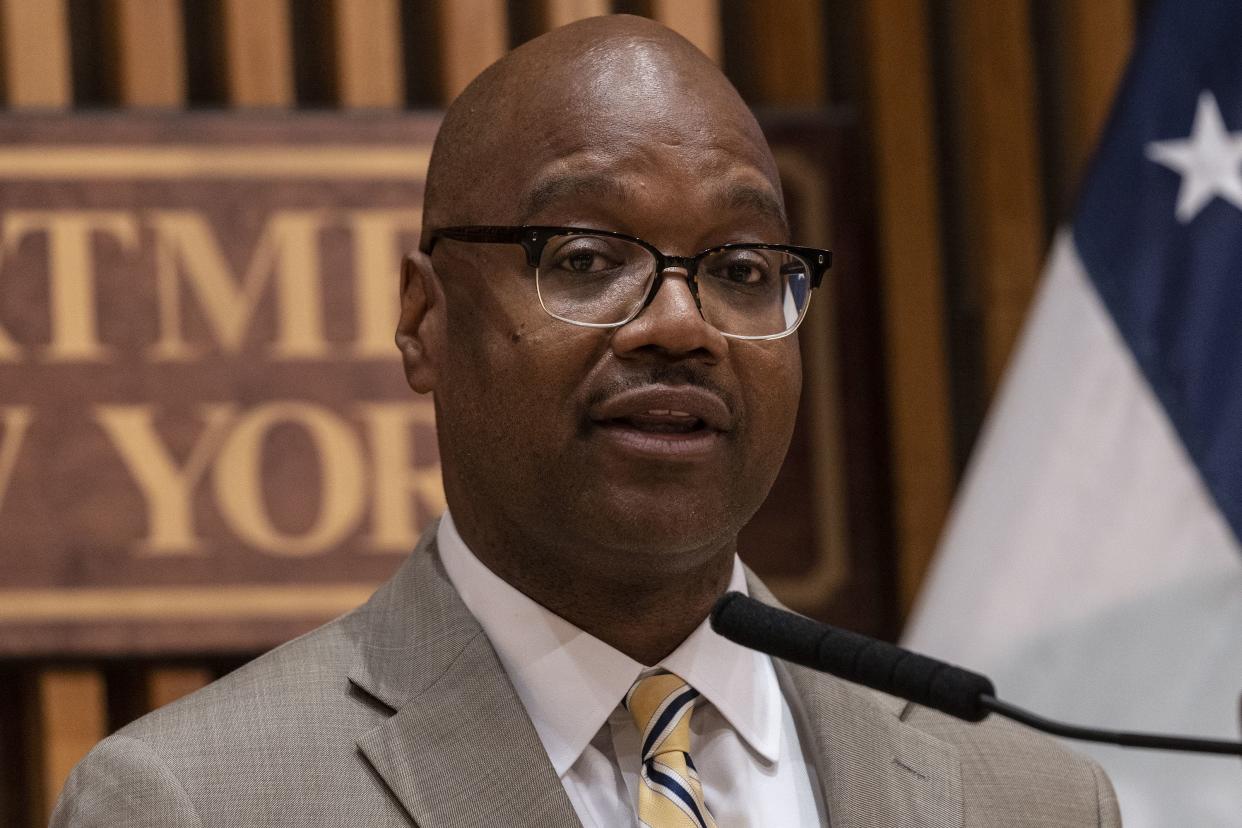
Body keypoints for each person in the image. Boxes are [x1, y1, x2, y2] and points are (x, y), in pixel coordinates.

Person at [53, 15, 1119, 827]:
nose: (679, 324)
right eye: (586, 261)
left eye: (743, 269)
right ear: (423, 322)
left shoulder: (1026, 798)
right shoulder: (196, 804)